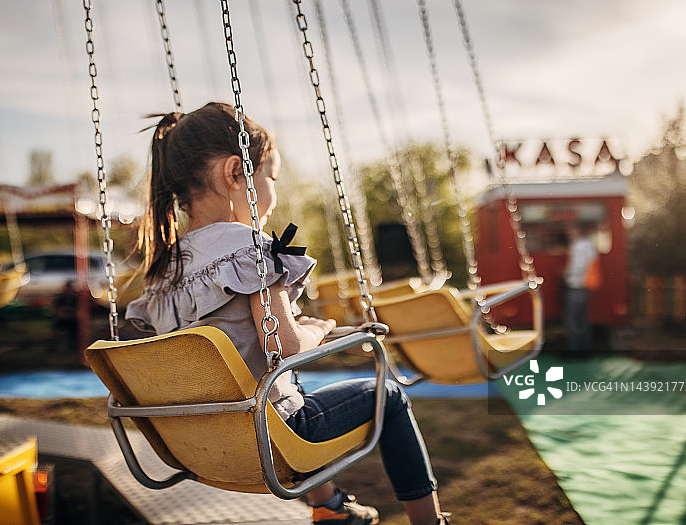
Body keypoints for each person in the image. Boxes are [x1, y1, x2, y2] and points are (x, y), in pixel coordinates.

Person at [126, 103, 448, 525]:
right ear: (235, 174)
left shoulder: (163, 274)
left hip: (202, 442)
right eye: (271, 176)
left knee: (289, 389)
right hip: (271, 437)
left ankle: (331, 508)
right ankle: (430, 522)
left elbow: (233, 343)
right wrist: (318, 329)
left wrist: (332, 332)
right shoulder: (251, 252)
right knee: (386, 394)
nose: (274, 191)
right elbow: (285, 348)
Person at [562, 223, 599, 358]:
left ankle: (573, 352)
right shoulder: (590, 245)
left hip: (575, 286)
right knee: (583, 320)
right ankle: (585, 350)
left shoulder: (578, 246)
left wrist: (566, 275)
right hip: (585, 287)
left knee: (572, 320)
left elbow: (577, 267)